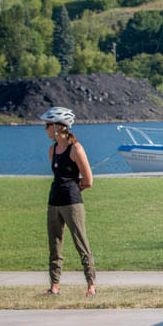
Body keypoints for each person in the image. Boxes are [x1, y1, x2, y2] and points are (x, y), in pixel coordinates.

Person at [40, 107, 96, 297]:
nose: (45, 129)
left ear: (58, 127)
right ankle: (54, 286)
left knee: (81, 242)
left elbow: (88, 180)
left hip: (72, 203)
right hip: (53, 201)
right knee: (54, 245)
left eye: (48, 125)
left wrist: (73, 189)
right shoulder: (52, 149)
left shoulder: (76, 149)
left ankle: (91, 284)